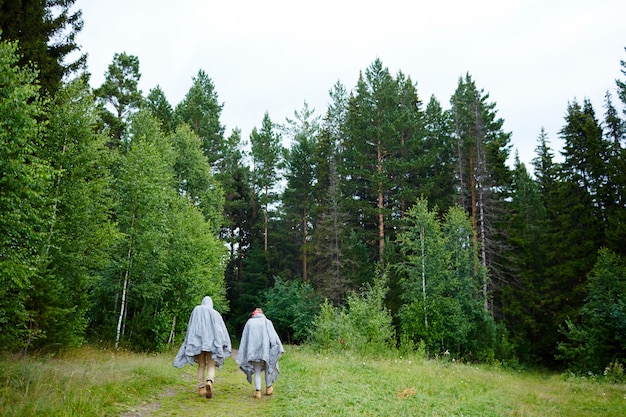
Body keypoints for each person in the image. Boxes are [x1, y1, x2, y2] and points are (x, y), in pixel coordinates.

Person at [174, 296, 232, 399]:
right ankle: (209, 381)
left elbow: (191, 326)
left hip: (198, 343)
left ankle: (201, 388)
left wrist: (189, 341)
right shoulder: (215, 314)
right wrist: (223, 343)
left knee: (201, 365)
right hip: (212, 344)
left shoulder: (196, 310)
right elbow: (220, 329)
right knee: (211, 364)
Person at [236, 308, 285, 398]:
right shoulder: (267, 322)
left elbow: (245, 339)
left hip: (253, 351)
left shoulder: (249, 322)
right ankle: (268, 388)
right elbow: (273, 338)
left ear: (253, 314)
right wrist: (275, 348)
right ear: (262, 314)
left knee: (257, 370)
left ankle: (258, 392)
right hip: (266, 351)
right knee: (267, 368)